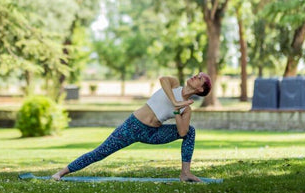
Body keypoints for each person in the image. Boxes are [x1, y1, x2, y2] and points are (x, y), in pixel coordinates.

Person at [51, 73, 212, 182]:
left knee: (190, 131)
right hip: (132, 126)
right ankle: (62, 172)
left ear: (200, 89)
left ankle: (185, 173)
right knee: (100, 152)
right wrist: (175, 101)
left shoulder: (186, 109)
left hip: (152, 133)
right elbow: (162, 79)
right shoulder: (174, 84)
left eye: (199, 78)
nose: (194, 76)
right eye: (197, 74)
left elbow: (182, 132)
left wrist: (178, 109)